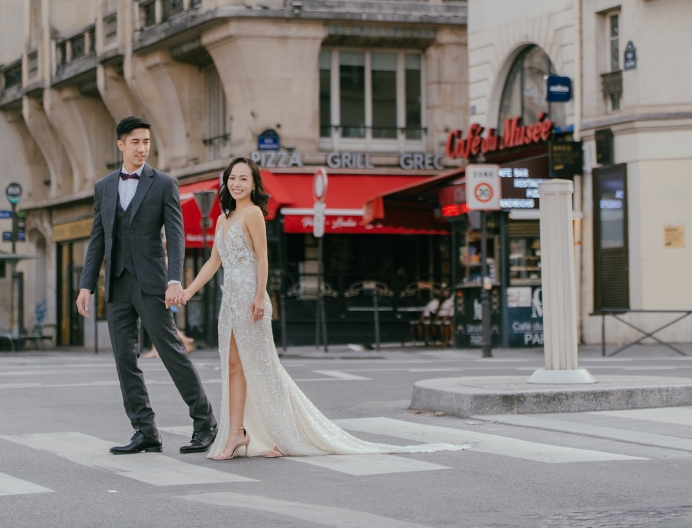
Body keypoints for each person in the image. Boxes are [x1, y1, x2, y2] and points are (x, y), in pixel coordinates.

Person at [179, 157, 463, 460]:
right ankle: (238, 433)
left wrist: (260, 296)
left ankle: (277, 433)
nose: (236, 184)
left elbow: (263, 258)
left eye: (243, 179)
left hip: (251, 298)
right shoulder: (223, 219)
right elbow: (213, 262)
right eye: (232, 178)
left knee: (263, 369)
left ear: (253, 184)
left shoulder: (252, 214)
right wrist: (187, 291)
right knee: (234, 367)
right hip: (230, 301)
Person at [76, 116, 217, 455]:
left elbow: (176, 235)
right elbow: (98, 238)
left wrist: (173, 279)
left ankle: (205, 423)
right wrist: (86, 285)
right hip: (117, 284)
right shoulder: (104, 187)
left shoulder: (164, 183)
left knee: (171, 353)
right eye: (135, 142)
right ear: (121, 145)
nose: (142, 148)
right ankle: (145, 430)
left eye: (146, 142)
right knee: (125, 359)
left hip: (152, 283)